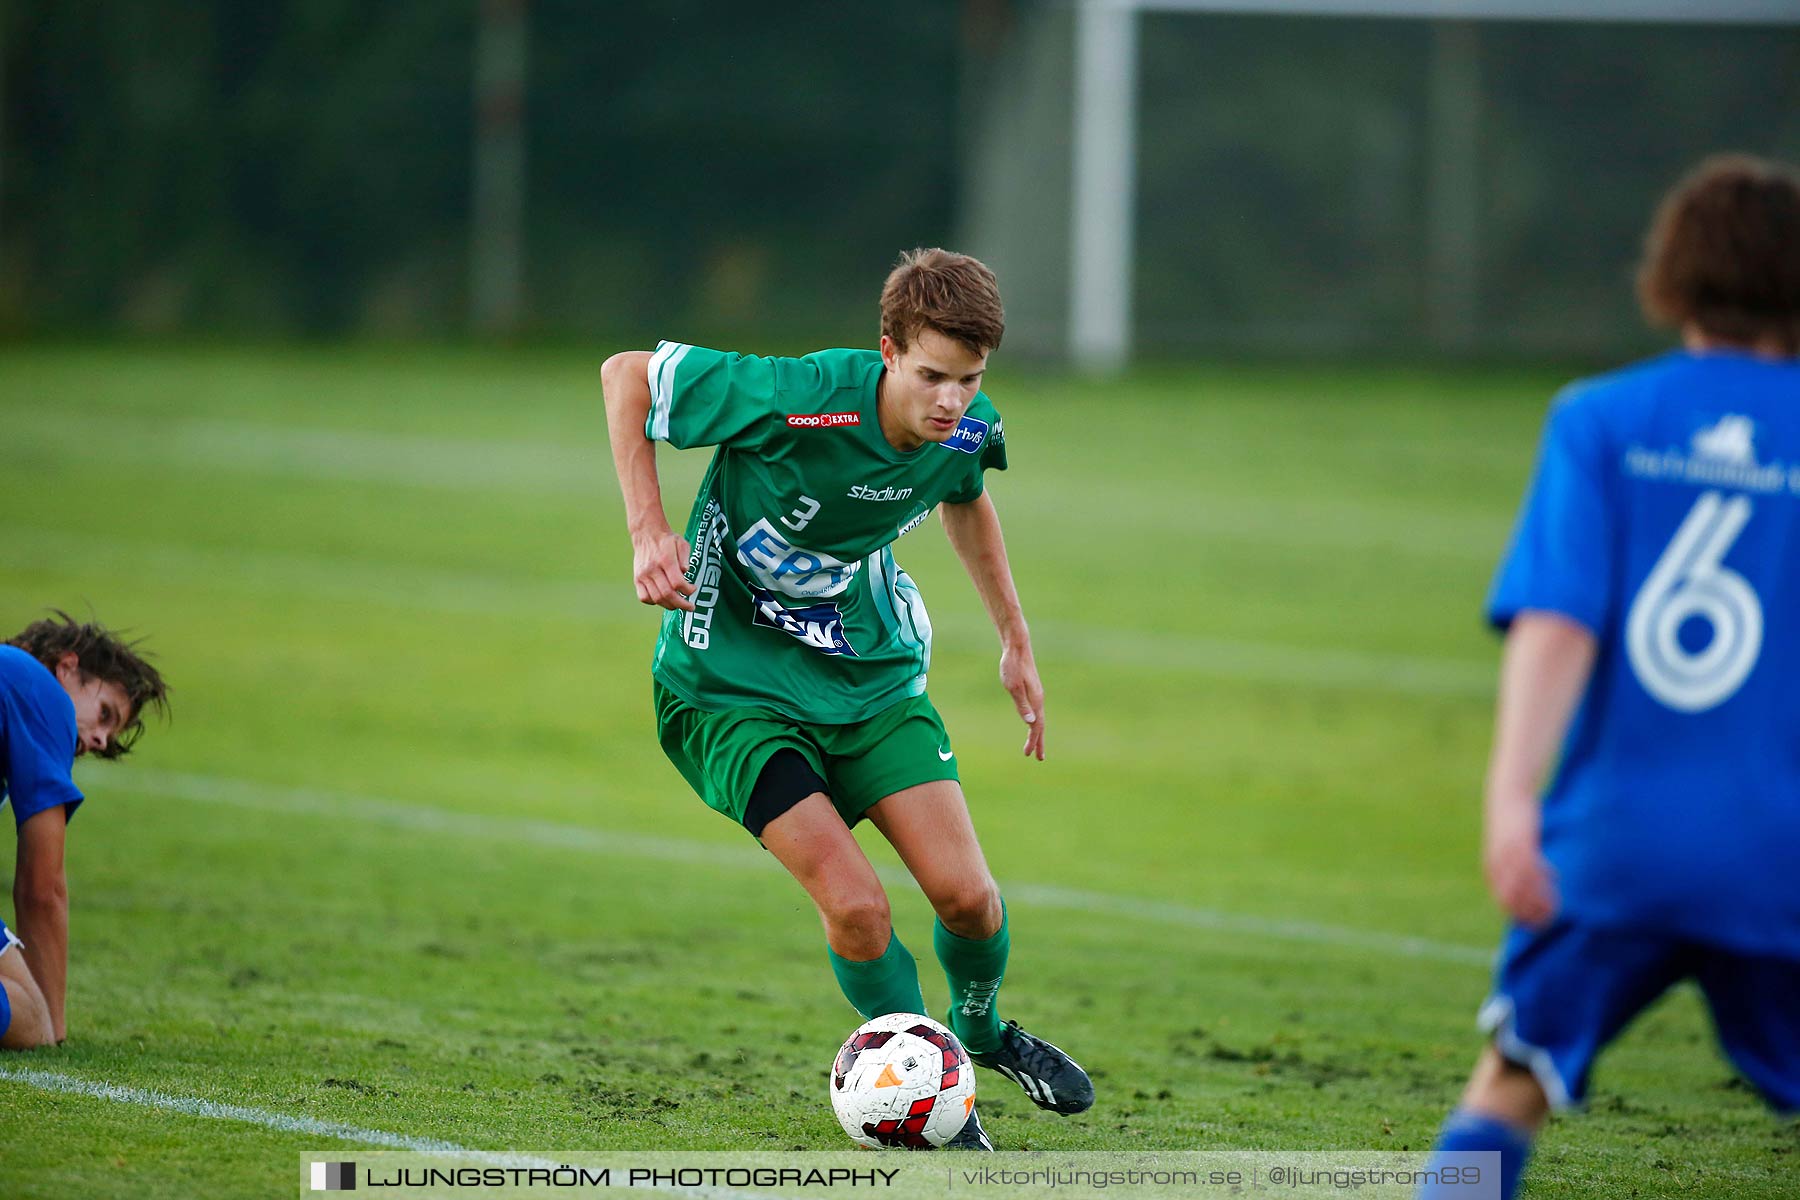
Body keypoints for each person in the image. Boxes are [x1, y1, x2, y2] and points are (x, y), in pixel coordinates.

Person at [601, 248, 1093, 1150]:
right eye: (933, 376)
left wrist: (1015, 639)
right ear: (888, 352)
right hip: (729, 691)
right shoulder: (802, 397)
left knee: (969, 901)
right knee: (860, 907)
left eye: (971, 379)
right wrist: (648, 529)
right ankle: (941, 1100)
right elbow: (626, 376)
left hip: (869, 680)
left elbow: (967, 497)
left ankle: (982, 1035)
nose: (952, 400)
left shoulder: (967, 429)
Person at [1419, 155, 1800, 1199]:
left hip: (1616, 844)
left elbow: (1557, 626)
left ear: (1674, 274)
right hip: (1783, 853)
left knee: (1508, 1088)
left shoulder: (1601, 419)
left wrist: (1510, 803)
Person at [2, 611, 169, 1049]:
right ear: (67, 666)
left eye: (108, 737)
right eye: (105, 714)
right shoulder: (40, 693)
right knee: (27, 1016)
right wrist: (52, 1030)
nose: (98, 740)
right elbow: (42, 888)